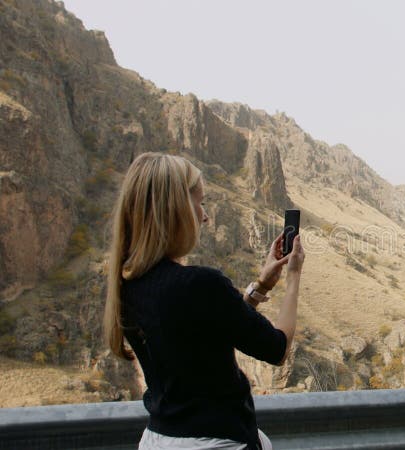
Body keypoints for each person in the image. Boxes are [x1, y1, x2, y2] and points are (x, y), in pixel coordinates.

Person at [104, 152, 304, 450]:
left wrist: (261, 285)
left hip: (158, 439)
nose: (206, 215)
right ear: (176, 210)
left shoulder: (127, 284)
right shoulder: (200, 283)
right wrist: (293, 278)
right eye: (201, 202)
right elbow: (276, 348)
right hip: (216, 442)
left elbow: (206, 324)